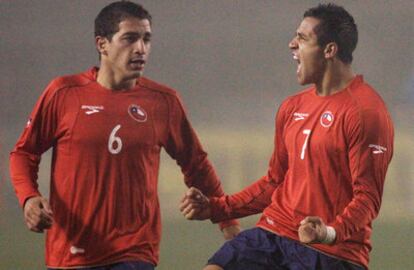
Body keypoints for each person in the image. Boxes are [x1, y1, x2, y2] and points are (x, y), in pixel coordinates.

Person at [9, 1, 240, 269]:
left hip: (135, 250)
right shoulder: (64, 93)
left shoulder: (163, 102)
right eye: (130, 39)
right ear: (102, 44)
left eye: (146, 39)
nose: (141, 48)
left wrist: (228, 222)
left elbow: (196, 164)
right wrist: (29, 197)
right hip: (72, 251)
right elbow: (24, 153)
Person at [180, 3, 394, 270]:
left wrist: (328, 232)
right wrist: (216, 208)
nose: (292, 45)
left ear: (329, 50)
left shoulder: (365, 111)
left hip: (331, 252)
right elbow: (275, 182)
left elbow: (368, 199)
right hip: (274, 233)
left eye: (303, 38)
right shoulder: (292, 107)